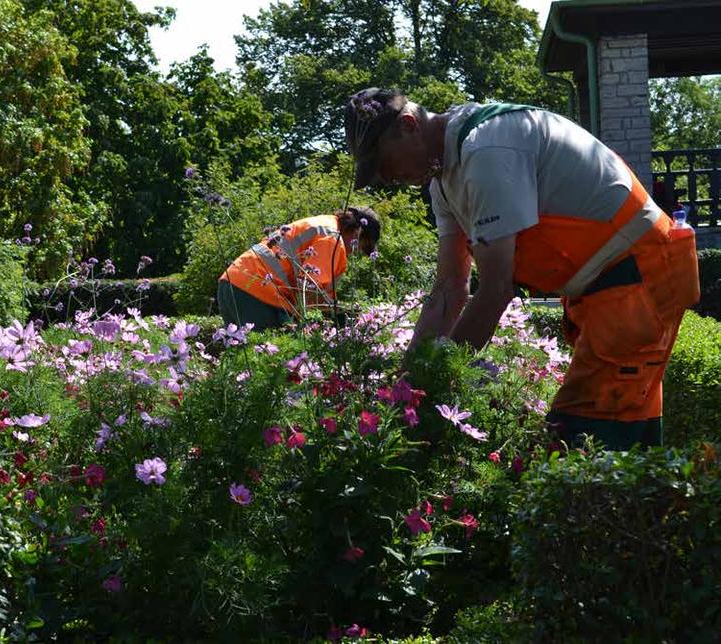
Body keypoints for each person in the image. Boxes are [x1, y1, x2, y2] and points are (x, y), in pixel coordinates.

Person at [344, 88, 700, 450]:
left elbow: (497, 291)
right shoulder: (444, 180)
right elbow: (449, 288)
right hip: (607, 287)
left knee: (582, 437)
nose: (385, 177)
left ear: (408, 126)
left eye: (382, 162)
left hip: (637, 276)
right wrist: (405, 384)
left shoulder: (487, 153)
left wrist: (437, 379)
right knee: (621, 435)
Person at [217, 208, 380, 329]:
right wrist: (342, 314)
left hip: (232, 282)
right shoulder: (332, 239)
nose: (355, 252)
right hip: (257, 293)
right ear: (358, 231)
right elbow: (309, 289)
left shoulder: (324, 223)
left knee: (242, 362)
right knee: (275, 364)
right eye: (362, 247)